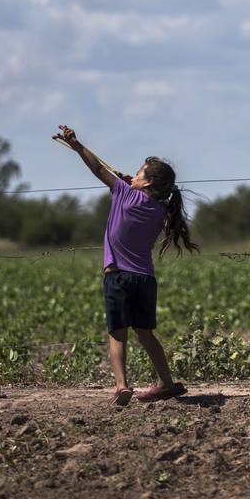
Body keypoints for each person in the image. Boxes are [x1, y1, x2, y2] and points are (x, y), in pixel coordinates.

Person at [54, 124, 196, 406]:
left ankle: (121, 386)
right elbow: (130, 187)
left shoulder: (124, 193)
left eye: (139, 172)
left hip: (118, 277)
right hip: (145, 280)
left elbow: (98, 169)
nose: (134, 174)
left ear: (148, 182)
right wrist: (130, 184)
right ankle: (166, 383)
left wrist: (77, 145)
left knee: (117, 334)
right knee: (146, 334)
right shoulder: (161, 209)